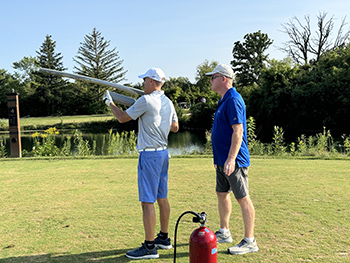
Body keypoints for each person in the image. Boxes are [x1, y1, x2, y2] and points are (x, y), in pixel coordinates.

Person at [103, 68, 179, 260]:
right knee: (162, 197)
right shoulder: (168, 102)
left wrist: (110, 103)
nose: (142, 84)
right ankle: (164, 238)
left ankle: (150, 246)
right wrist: (155, 120)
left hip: (150, 156)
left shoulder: (145, 100)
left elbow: (121, 118)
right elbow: (175, 127)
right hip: (163, 154)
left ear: (152, 82)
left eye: (144, 80)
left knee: (147, 202)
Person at [205, 64, 259, 255]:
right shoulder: (223, 100)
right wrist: (219, 158)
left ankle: (250, 241)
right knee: (222, 193)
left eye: (213, 77)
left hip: (234, 161)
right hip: (222, 160)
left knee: (243, 198)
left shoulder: (233, 99)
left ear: (223, 78)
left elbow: (238, 131)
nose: (210, 80)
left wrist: (230, 159)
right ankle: (224, 231)